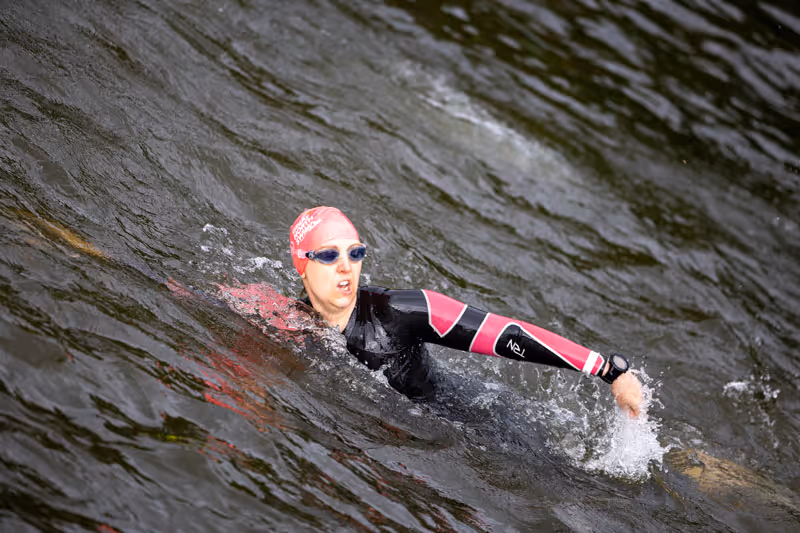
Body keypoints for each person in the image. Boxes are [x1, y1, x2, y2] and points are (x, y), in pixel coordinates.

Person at [290, 206, 643, 414]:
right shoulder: (291, 319)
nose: (345, 266)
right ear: (301, 265)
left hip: (481, 420)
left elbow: (507, 334)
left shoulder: (402, 310)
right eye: (328, 254)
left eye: (355, 253)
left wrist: (608, 371)